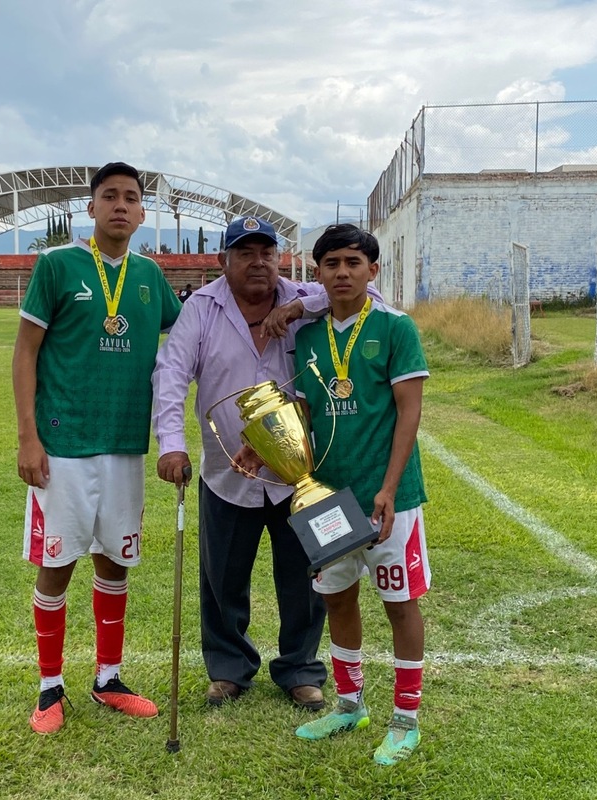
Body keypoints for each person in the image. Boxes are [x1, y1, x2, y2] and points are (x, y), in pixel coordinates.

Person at [12, 161, 183, 735]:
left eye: (131, 197)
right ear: (91, 208)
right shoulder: (57, 265)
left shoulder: (149, 275)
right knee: (57, 563)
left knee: (115, 560)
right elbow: (25, 352)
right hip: (63, 444)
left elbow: (189, 335)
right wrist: (28, 437)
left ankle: (108, 678)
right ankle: (49, 686)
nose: (120, 205)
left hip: (124, 444)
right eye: (109, 196)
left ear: (142, 212)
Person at [152, 216, 335, 711]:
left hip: (300, 474)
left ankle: (300, 668)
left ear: (279, 258)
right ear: (223, 260)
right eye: (245, 253)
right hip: (227, 473)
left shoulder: (305, 296)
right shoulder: (202, 308)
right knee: (222, 578)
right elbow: (171, 374)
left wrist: (300, 307)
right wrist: (171, 444)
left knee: (306, 577)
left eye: (267, 253)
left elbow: (369, 298)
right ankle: (229, 668)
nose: (259, 263)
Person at [289, 223, 431, 766]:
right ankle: (350, 705)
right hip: (327, 498)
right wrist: (266, 450)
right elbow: (304, 415)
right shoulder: (307, 337)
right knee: (337, 598)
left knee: (399, 604)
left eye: (353, 262)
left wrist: (389, 488)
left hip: (388, 497)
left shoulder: (396, 328)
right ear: (318, 273)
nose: (342, 272)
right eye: (332, 263)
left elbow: (409, 413)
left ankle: (405, 720)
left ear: (373, 270)